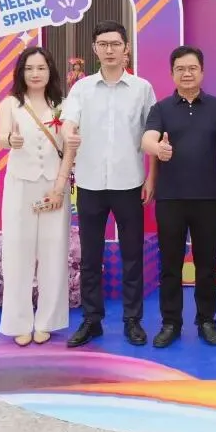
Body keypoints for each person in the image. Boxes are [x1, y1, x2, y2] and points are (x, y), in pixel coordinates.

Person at [61, 20, 157, 347]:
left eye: (115, 44)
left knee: (133, 256)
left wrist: (151, 178)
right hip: (89, 184)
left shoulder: (142, 89)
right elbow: (69, 120)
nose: (110, 50)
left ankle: (133, 320)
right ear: (95, 49)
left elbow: (152, 134)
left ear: (126, 48)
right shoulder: (82, 88)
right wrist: (68, 132)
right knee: (91, 257)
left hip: (130, 183)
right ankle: (92, 320)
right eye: (103, 44)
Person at [141, 45, 216, 348]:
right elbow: (150, 142)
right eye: (180, 68)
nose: (186, 73)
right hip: (170, 198)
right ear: (172, 73)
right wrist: (155, 163)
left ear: (202, 72)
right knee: (170, 264)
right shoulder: (161, 109)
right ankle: (171, 322)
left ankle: (207, 320)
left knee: (207, 264)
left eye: (192, 68)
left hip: (207, 197)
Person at [0, 47, 77, 347]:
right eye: (29, 68)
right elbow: (3, 136)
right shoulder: (10, 104)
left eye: (41, 68)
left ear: (50, 71)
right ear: (20, 72)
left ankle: (47, 321)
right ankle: (18, 321)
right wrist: (10, 140)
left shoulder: (63, 105)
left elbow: (69, 148)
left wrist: (60, 185)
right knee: (17, 253)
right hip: (21, 186)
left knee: (54, 253)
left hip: (54, 187)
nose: (35, 74)